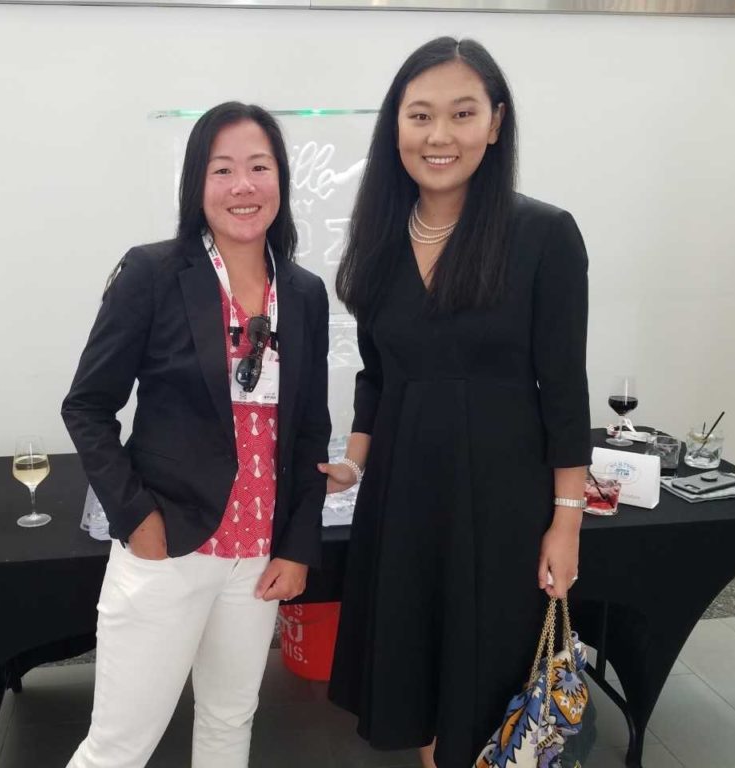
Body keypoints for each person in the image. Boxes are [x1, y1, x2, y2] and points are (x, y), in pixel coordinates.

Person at [321, 37, 590, 768]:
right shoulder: (377, 241)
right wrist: (353, 462)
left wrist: (565, 524)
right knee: (427, 693)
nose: (440, 136)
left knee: (488, 691)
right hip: (404, 498)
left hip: (502, 501)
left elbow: (565, 390)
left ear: (495, 123)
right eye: (421, 116)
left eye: (462, 113)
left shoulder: (544, 235)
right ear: (396, 128)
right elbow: (378, 376)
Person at [61, 102, 331, 768]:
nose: (244, 186)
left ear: (280, 180)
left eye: (259, 167)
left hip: (257, 557)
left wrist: (296, 545)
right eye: (224, 169)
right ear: (197, 184)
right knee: (120, 747)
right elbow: (88, 406)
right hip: (170, 545)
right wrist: (138, 518)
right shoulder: (153, 275)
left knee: (229, 721)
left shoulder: (303, 292)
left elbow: (309, 431)